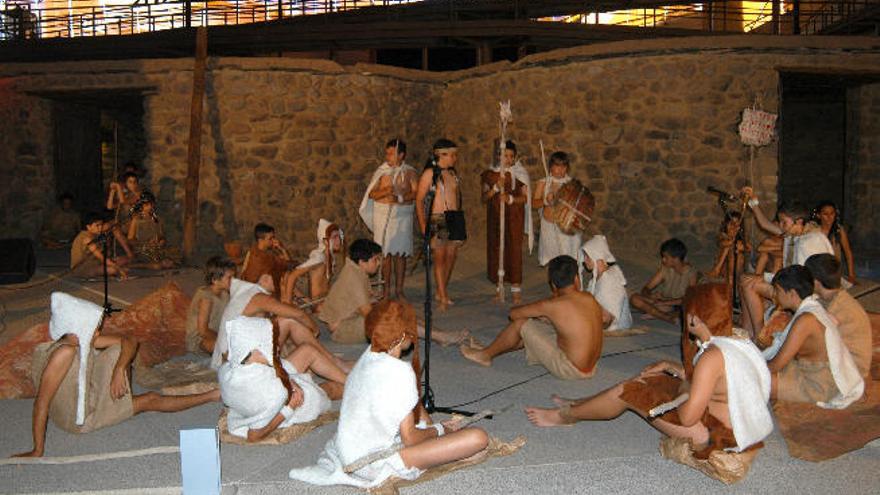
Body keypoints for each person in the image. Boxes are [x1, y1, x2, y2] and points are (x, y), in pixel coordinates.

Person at [524, 284, 773, 464]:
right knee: (650, 380)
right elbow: (721, 381)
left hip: (713, 437)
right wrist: (673, 367)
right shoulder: (736, 340)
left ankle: (563, 416)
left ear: (695, 318)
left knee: (629, 392)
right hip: (735, 427)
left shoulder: (711, 357)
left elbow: (687, 417)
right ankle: (582, 405)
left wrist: (685, 382)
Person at [288, 300, 489, 489]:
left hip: (349, 451)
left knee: (427, 424)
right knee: (477, 438)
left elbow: (407, 406)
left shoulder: (368, 356)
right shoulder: (401, 372)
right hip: (371, 463)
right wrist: (439, 430)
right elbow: (409, 438)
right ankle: (440, 447)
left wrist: (431, 427)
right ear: (402, 337)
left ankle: (437, 441)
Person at [13, 292, 220, 458]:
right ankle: (211, 395)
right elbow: (41, 402)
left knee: (118, 350)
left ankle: (119, 389)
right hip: (80, 419)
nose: (97, 332)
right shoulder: (64, 353)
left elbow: (129, 340)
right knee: (150, 399)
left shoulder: (72, 340)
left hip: (80, 395)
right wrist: (37, 450)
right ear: (75, 329)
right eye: (93, 329)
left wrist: (119, 369)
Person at [460, 255, 603, 380]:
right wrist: (548, 317)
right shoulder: (589, 297)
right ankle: (492, 348)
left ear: (553, 284)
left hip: (570, 370)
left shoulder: (552, 305)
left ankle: (485, 355)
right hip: (592, 368)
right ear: (576, 279)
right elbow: (600, 319)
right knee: (539, 325)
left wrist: (544, 310)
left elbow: (514, 314)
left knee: (522, 324)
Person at [318, 239, 467, 346]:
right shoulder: (354, 278)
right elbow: (370, 315)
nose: (379, 263)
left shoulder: (355, 269)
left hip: (349, 320)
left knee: (401, 309)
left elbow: (360, 301)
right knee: (394, 319)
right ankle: (440, 337)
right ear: (362, 262)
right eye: (375, 260)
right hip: (343, 330)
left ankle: (438, 335)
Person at [219, 316, 345, 442]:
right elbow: (254, 436)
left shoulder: (227, 369)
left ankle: (347, 378)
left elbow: (271, 374)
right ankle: (353, 384)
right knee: (332, 389)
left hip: (271, 381)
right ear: (255, 350)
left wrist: (289, 380)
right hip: (295, 403)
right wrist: (289, 408)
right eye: (269, 343)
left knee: (307, 351)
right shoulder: (274, 393)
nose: (276, 347)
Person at [762, 266, 863, 408]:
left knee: (753, 379)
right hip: (810, 372)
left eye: (777, 291)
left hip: (819, 385)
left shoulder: (806, 320)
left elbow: (776, 365)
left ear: (792, 293)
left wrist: (744, 365)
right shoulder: (812, 308)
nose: (775, 296)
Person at [738, 189, 834, 337]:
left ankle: (759, 336)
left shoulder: (809, 242)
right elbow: (764, 224)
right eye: (780, 222)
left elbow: (800, 281)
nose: (781, 226)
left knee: (749, 284)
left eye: (784, 222)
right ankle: (747, 331)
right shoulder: (796, 232)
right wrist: (753, 200)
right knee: (746, 279)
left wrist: (766, 277)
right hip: (793, 284)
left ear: (799, 221)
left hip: (805, 295)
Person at [210, 274, 342, 372]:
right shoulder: (258, 297)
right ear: (265, 278)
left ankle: (329, 359)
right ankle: (330, 360)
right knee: (289, 320)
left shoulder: (247, 293)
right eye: (277, 277)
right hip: (236, 360)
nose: (280, 281)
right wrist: (314, 329)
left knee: (286, 322)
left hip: (234, 356)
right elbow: (298, 314)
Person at [359, 138, 418, 301]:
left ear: (401, 155)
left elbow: (416, 193)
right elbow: (371, 194)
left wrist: (400, 197)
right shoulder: (382, 172)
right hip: (383, 217)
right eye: (387, 153)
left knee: (400, 254)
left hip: (402, 218)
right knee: (385, 255)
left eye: (391, 153)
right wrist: (385, 192)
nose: (388, 156)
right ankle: (385, 291)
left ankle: (399, 290)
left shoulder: (410, 172)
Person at [804, 254, 872, 379]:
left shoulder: (837, 307)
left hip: (852, 371)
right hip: (847, 363)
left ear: (816, 282)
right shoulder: (833, 298)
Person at [415, 139, 464, 312]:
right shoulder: (430, 174)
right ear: (440, 155)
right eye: (452, 154)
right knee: (440, 258)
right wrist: (423, 225)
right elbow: (419, 200)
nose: (454, 158)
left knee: (451, 256)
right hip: (438, 219)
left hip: (454, 218)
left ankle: (441, 290)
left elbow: (456, 197)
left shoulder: (452, 174)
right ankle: (443, 296)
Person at [481, 140, 532, 305]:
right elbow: (484, 197)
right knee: (497, 250)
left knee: (514, 251)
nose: (508, 159)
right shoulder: (489, 174)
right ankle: (499, 288)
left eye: (511, 156)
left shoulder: (519, 174)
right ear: (498, 156)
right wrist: (495, 188)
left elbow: (526, 198)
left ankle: (516, 290)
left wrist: (510, 198)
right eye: (505, 155)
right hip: (495, 218)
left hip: (513, 217)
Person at [630, 238, 698, 325]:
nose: (663, 260)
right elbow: (647, 288)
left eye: (666, 257)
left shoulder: (691, 273)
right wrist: (650, 295)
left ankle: (657, 313)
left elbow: (689, 298)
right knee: (634, 298)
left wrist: (665, 302)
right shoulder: (665, 269)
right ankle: (667, 317)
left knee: (688, 308)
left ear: (676, 259)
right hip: (662, 302)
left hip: (677, 305)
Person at [533, 151, 581, 267]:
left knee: (568, 259)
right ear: (550, 167)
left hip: (565, 226)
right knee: (553, 262)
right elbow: (534, 204)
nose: (561, 170)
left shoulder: (571, 183)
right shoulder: (543, 183)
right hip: (549, 227)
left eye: (564, 166)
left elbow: (577, 206)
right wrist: (545, 200)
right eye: (557, 166)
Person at [284, 219, 343, 307]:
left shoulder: (330, 258)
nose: (339, 240)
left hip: (326, 302)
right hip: (318, 307)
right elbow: (292, 276)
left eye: (339, 236)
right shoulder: (319, 258)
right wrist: (288, 304)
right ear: (325, 241)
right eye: (334, 237)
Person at [581, 235, 633, 332]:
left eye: (587, 256)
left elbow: (607, 318)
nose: (584, 260)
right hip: (605, 318)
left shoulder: (609, 279)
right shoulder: (597, 277)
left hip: (617, 324)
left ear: (596, 256)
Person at [185, 256, 235, 354]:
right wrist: (223, 339)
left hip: (217, 334)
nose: (234, 280)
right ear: (215, 280)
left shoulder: (225, 294)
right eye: (229, 278)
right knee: (223, 349)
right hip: (200, 340)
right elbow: (202, 331)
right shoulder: (206, 297)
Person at [69, 212, 130, 279]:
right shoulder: (87, 238)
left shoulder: (93, 233)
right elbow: (101, 257)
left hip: (94, 263)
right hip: (82, 268)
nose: (100, 228)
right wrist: (118, 269)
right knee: (113, 270)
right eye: (97, 225)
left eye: (101, 225)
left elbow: (111, 225)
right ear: (88, 227)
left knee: (124, 260)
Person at [240, 223, 292, 298]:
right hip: (259, 295)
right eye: (270, 238)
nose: (274, 241)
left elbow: (288, 264)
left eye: (274, 237)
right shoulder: (256, 255)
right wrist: (282, 250)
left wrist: (282, 249)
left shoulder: (270, 252)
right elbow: (288, 265)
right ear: (261, 240)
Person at [127, 191, 176, 270]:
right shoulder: (136, 220)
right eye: (147, 205)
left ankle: (156, 263)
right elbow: (130, 239)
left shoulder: (157, 219)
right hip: (142, 250)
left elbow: (161, 236)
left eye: (151, 204)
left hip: (156, 250)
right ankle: (136, 266)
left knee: (170, 262)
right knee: (157, 266)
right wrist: (144, 244)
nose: (150, 207)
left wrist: (161, 242)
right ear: (141, 206)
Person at [813, 201, 857, 285]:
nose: (829, 217)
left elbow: (848, 252)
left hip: (833, 271)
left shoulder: (838, 230)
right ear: (819, 215)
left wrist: (851, 275)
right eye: (825, 214)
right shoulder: (814, 231)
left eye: (832, 213)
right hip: (818, 270)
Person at [706, 211, 750, 285]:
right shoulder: (722, 236)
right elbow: (722, 243)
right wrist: (732, 239)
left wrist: (740, 245)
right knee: (729, 246)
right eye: (731, 223)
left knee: (735, 249)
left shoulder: (742, 239)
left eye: (736, 224)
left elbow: (749, 248)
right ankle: (718, 269)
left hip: (737, 270)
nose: (733, 226)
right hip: (724, 269)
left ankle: (717, 269)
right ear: (726, 224)